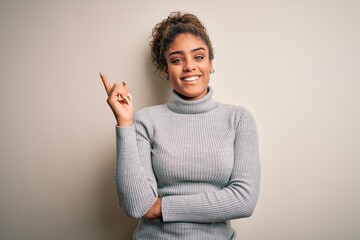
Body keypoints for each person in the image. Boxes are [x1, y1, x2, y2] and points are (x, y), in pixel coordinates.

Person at [100, 11, 260, 240]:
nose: (189, 67)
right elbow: (136, 206)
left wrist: (162, 207)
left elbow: (244, 200)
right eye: (177, 60)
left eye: (198, 57)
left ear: (211, 63)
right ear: (166, 69)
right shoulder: (146, 121)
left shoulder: (238, 119)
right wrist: (125, 123)